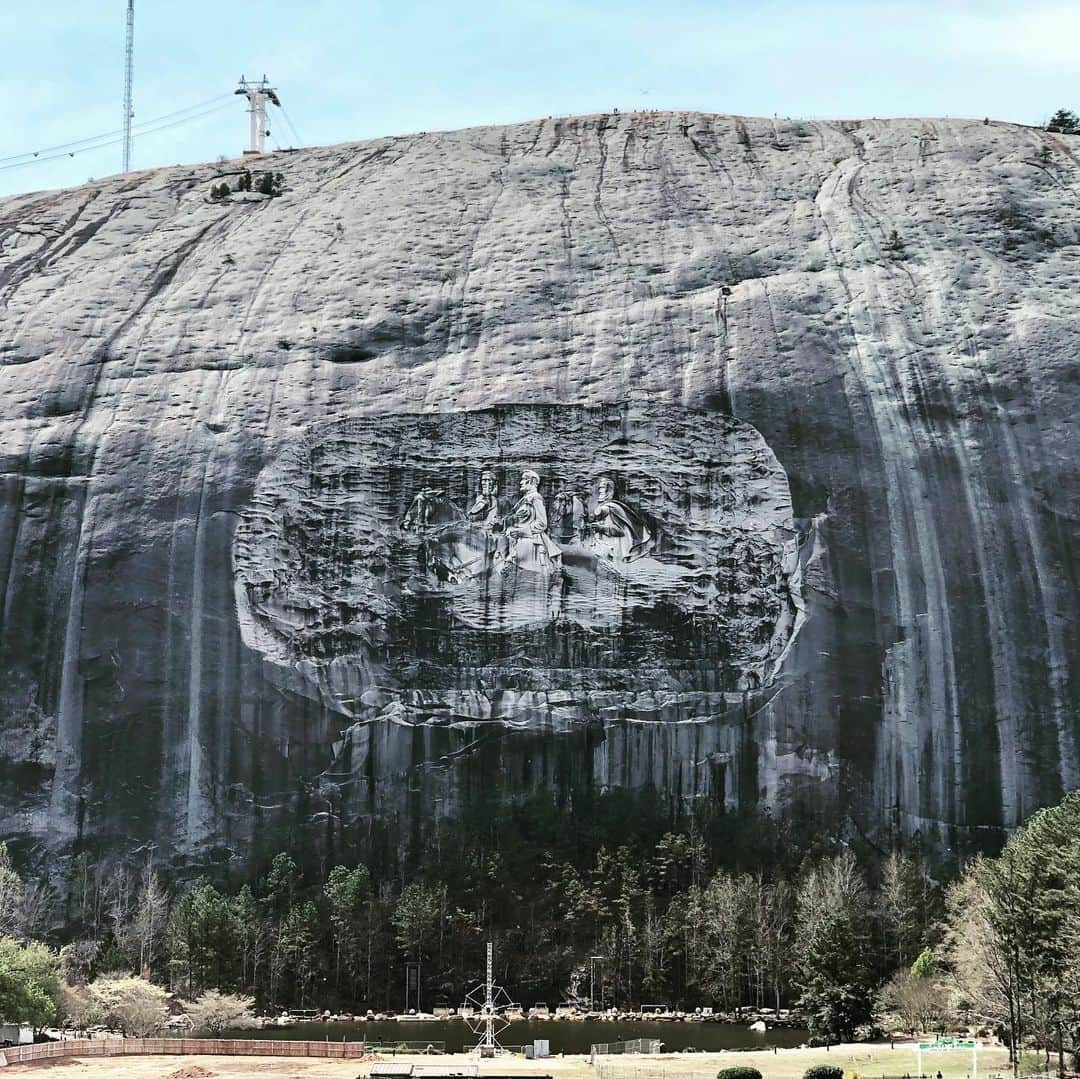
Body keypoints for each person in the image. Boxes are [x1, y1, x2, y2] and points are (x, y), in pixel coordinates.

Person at [502, 470, 562, 571]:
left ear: (532, 481)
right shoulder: (523, 499)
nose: (521, 482)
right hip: (515, 537)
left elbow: (542, 524)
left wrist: (521, 532)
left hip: (531, 539)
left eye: (524, 479)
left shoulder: (536, 498)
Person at [584, 474, 652, 562]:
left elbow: (620, 532)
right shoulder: (605, 507)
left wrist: (601, 528)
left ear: (608, 490)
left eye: (602, 488)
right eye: (599, 487)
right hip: (603, 546)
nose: (599, 490)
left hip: (614, 549)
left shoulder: (612, 508)